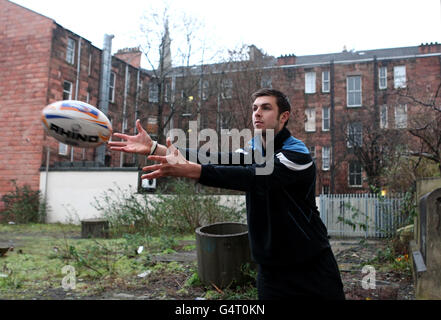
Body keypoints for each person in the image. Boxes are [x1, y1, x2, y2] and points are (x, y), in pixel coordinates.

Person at [108, 88, 345, 300]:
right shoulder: (254, 148)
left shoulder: (297, 153)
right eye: (254, 108)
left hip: (311, 265)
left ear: (284, 116)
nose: (257, 113)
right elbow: (215, 159)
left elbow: (254, 177)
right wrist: (154, 147)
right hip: (270, 270)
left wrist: (195, 172)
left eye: (266, 108)